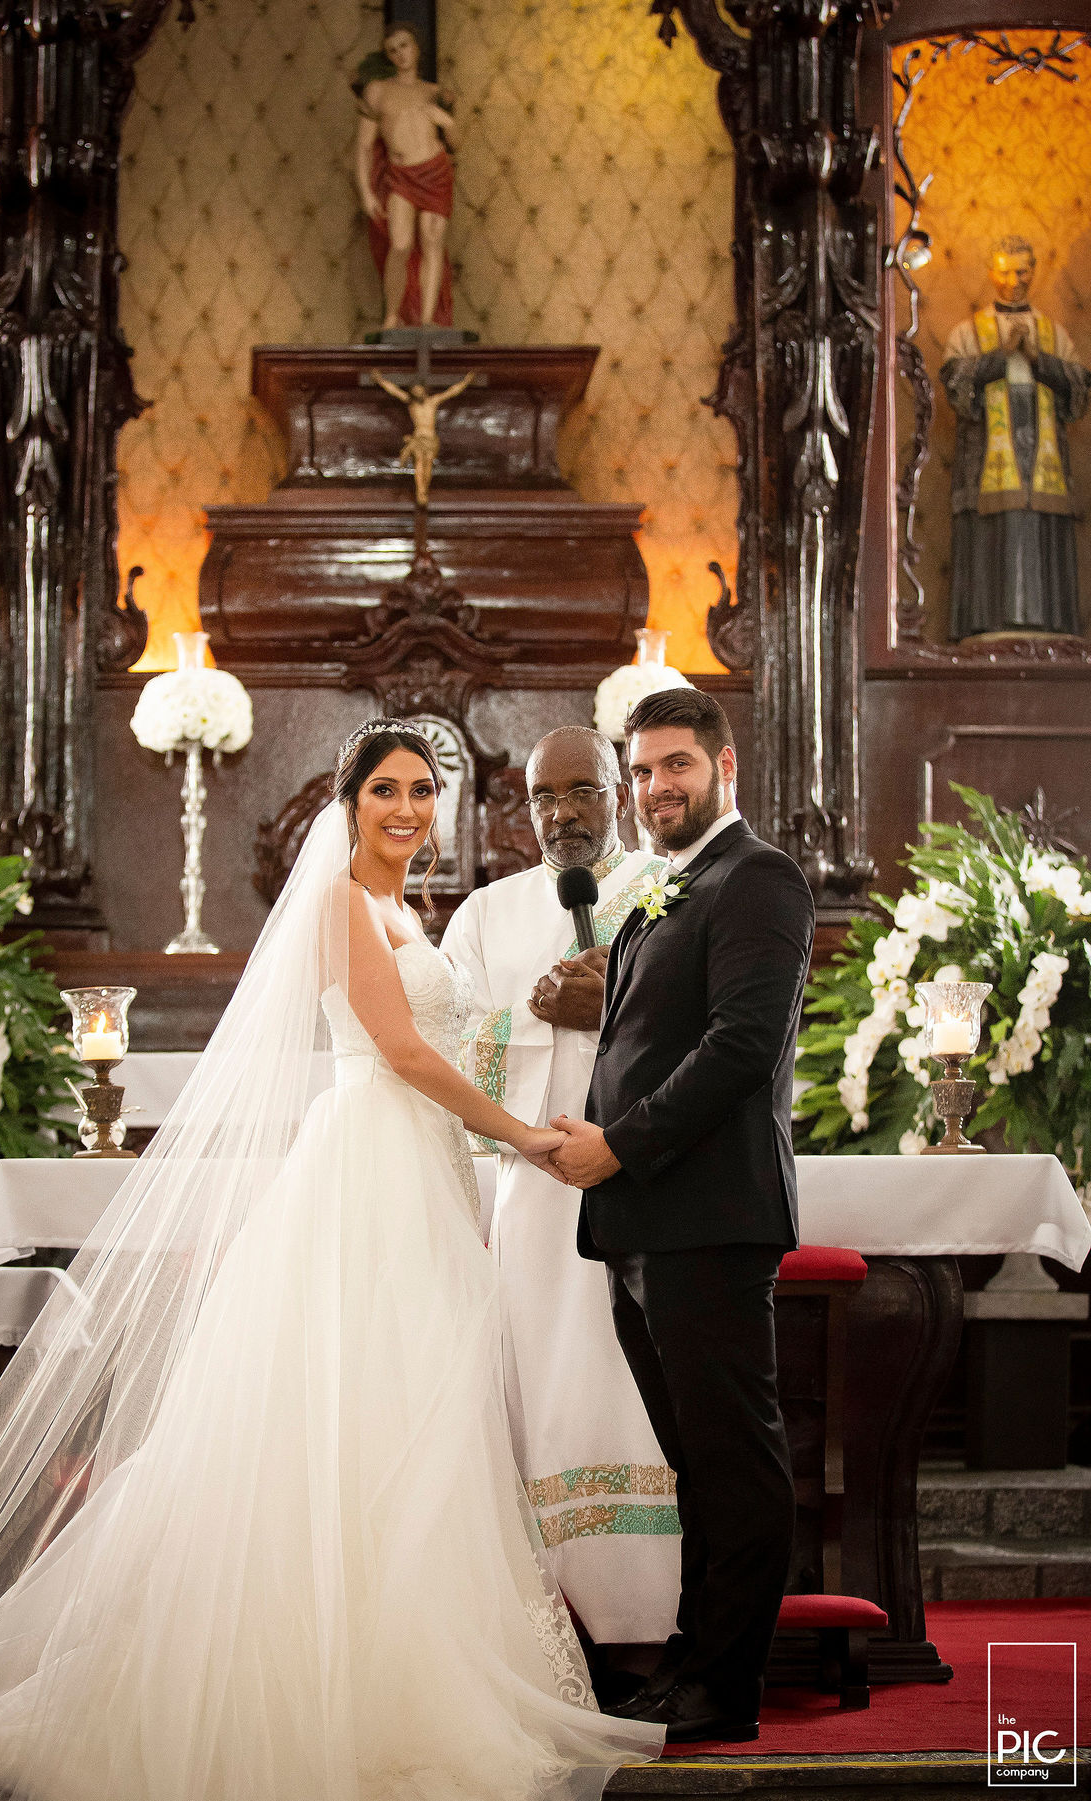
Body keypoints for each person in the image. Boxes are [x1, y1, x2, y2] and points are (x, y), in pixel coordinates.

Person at [0, 721, 662, 1800]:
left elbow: (460, 1039)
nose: (407, 809)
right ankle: (314, 1682)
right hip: (368, 1172)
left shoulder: (410, 912)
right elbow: (403, 1052)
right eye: (386, 790)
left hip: (427, 1175)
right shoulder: (343, 904)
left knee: (416, 1420)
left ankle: (391, 1664)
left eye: (423, 792)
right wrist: (527, 1136)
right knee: (353, 1417)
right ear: (347, 803)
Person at [547, 687, 815, 1745]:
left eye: (677, 766)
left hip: (710, 1215)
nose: (657, 787)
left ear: (724, 766)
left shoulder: (759, 877)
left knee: (734, 1463)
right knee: (695, 1464)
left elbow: (742, 1047)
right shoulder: (673, 882)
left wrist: (619, 1142)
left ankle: (726, 1686)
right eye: (643, 771)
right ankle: (692, 1668)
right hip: (647, 1221)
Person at [441, 727, 678, 1651]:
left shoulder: (667, 887)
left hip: (651, 1180)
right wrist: (544, 1018)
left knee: (637, 1391)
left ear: (620, 791)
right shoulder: (486, 915)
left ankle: (653, 1621)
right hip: (537, 1197)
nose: (562, 813)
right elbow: (451, 1051)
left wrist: (609, 1004)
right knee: (547, 1391)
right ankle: (553, 1632)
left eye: (583, 790)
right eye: (543, 796)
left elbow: (713, 1030)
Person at [941, 235, 1090, 640]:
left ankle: (1050, 624)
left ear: (1034, 271)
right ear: (991, 273)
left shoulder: (1054, 333)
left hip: (1045, 454)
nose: (1014, 281)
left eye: (1023, 271)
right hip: (987, 456)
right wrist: (1001, 355)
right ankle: (986, 625)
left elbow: (1080, 388)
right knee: (994, 532)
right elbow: (954, 384)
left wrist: (1039, 359)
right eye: (1005, 272)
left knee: (1040, 526)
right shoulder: (967, 332)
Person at [356, 24, 456, 330]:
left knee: (432, 241)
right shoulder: (378, 91)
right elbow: (364, 146)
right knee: (400, 245)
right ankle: (392, 316)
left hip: (435, 172)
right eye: (393, 49)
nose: (401, 54)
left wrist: (448, 123)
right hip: (402, 176)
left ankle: (426, 320)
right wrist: (365, 191)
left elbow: (457, 143)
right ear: (388, 55)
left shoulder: (435, 93)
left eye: (405, 45)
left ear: (417, 47)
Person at [370, 368, 474, 506]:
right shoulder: (411, 403)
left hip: (431, 438)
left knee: (428, 463)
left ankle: (425, 490)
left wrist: (466, 381)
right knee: (419, 462)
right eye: (415, 391)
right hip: (418, 438)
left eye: (419, 390)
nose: (417, 393)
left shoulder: (433, 401)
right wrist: (380, 380)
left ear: (424, 390)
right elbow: (394, 390)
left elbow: (452, 392)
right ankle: (420, 491)